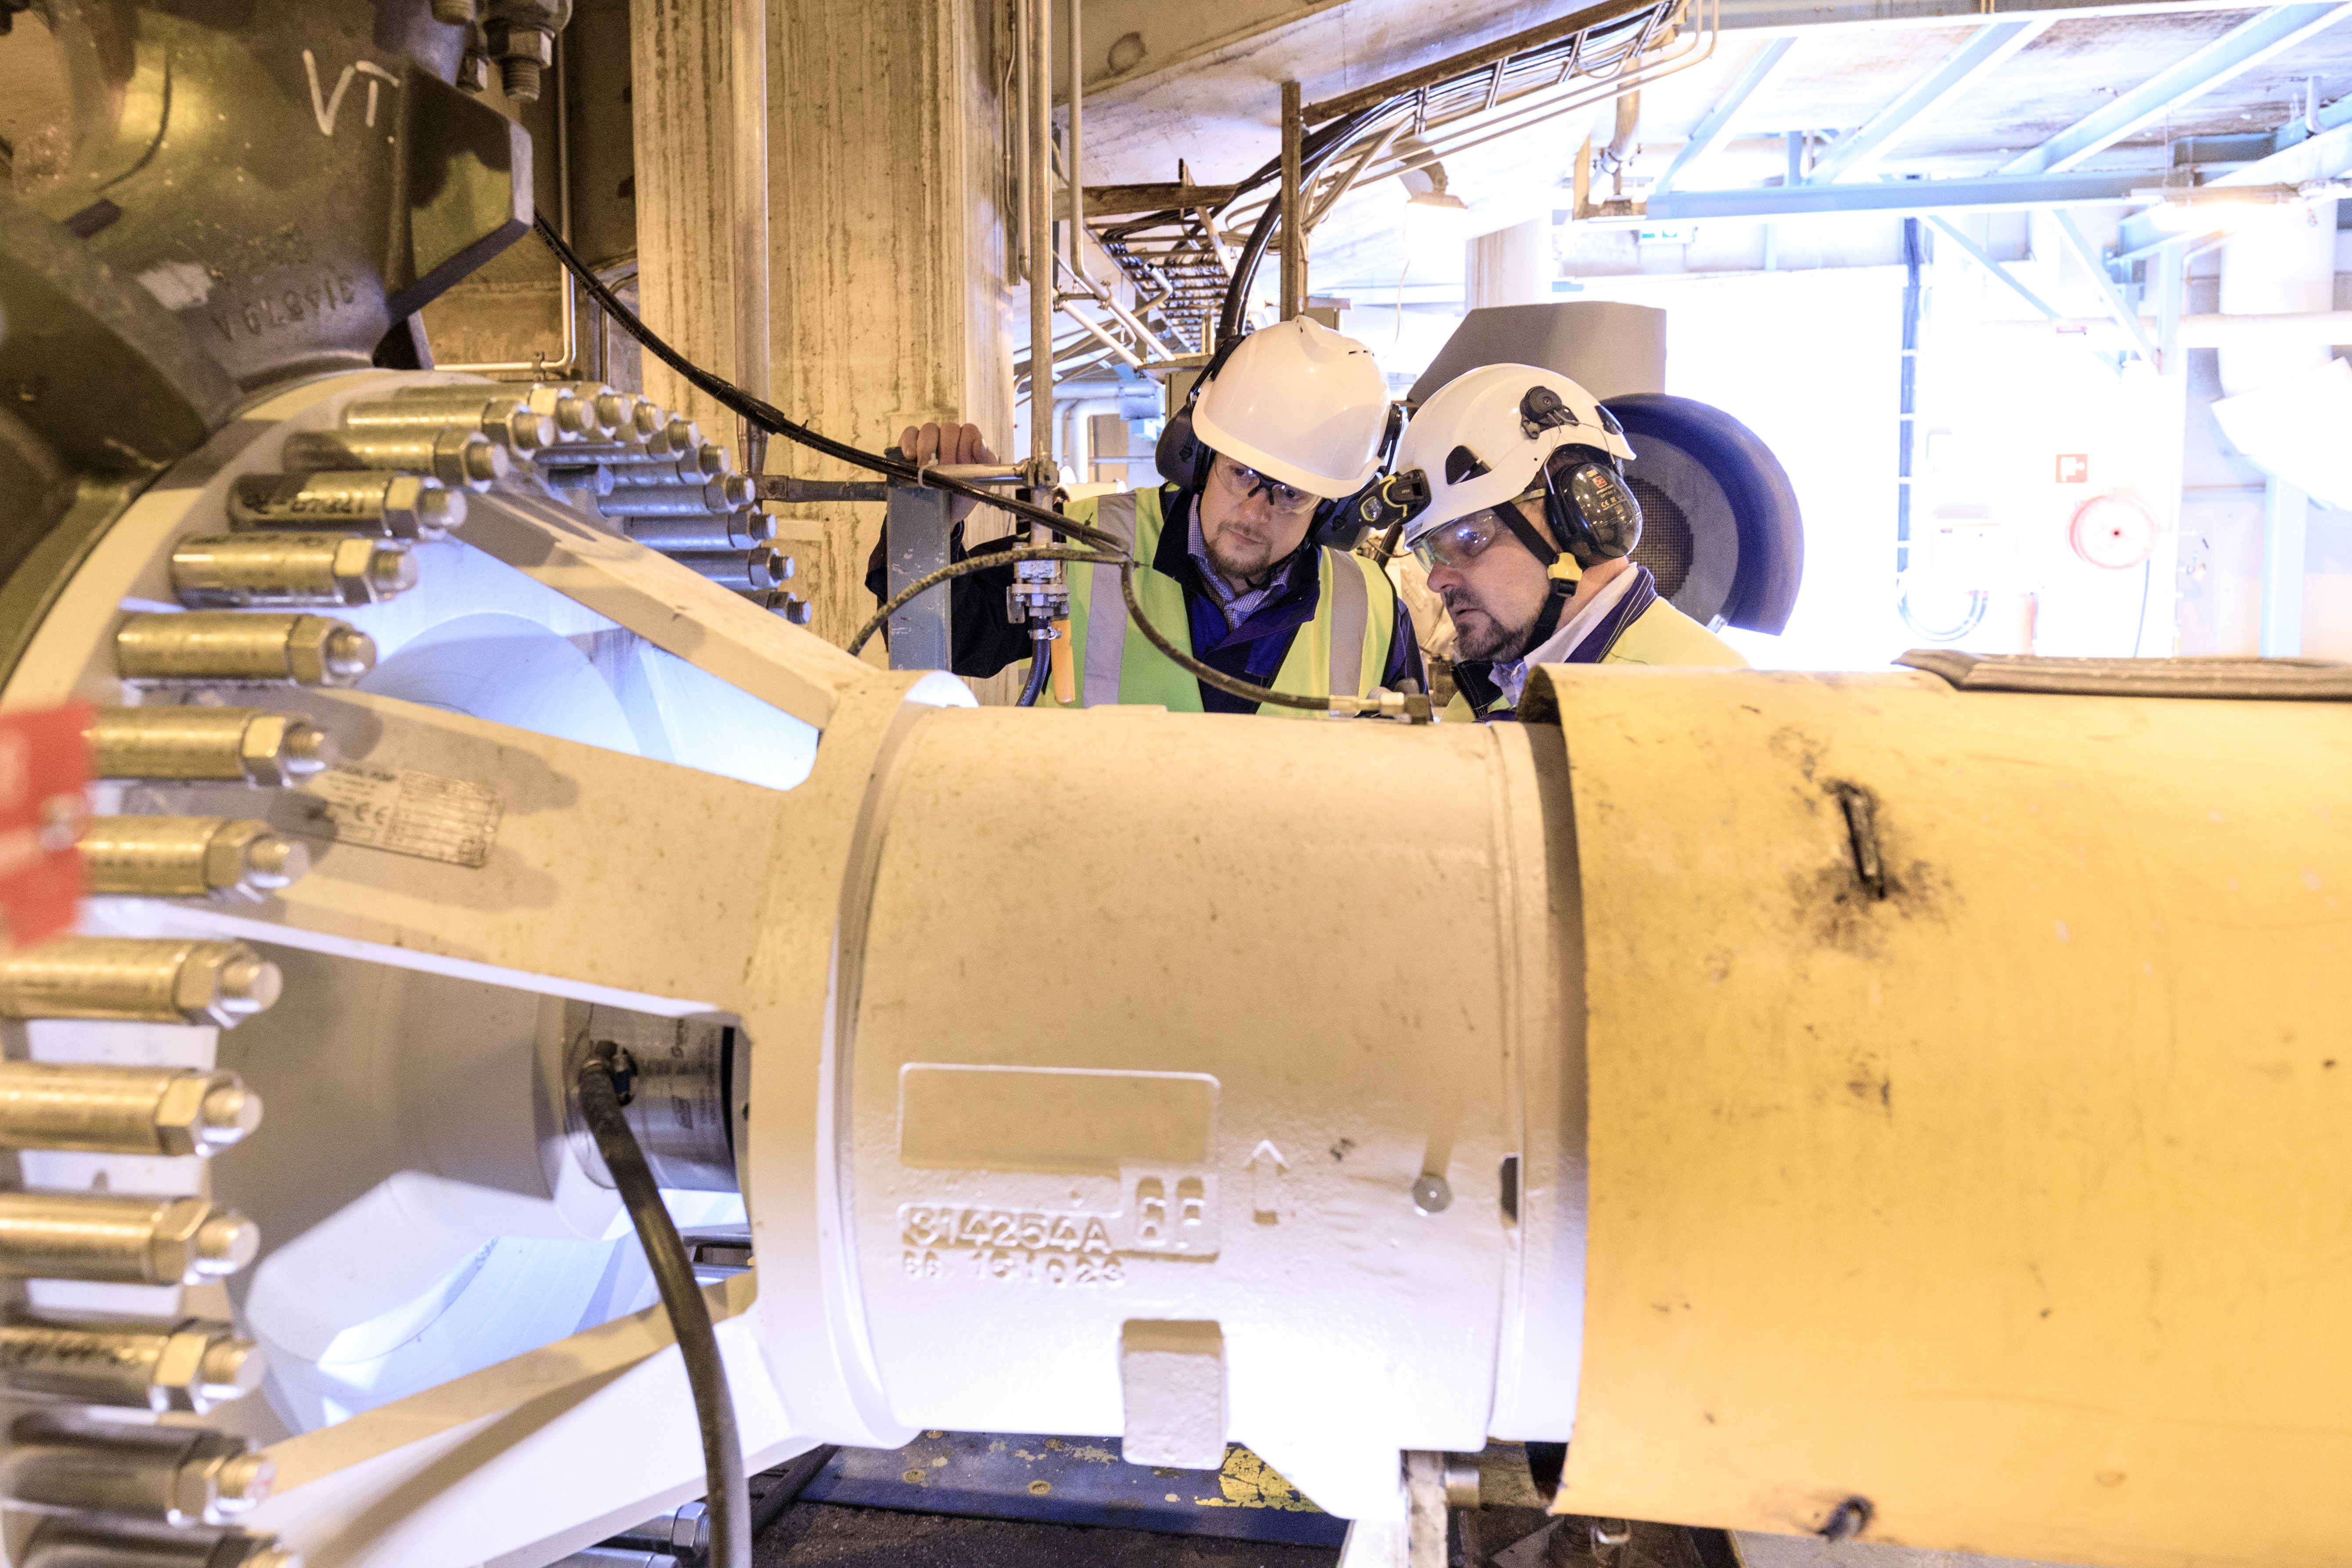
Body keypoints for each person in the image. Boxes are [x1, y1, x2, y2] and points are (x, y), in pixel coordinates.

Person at [865, 317, 1421, 714]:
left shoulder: (1368, 606)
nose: (1255, 511)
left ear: (1335, 508)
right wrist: (934, 525)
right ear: (1199, 456)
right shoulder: (1081, 543)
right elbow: (954, 638)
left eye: (1291, 493)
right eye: (1241, 473)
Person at [1390, 364, 1744, 721]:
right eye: (1431, 550)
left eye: (1471, 536)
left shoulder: (1715, 700)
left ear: (1578, 518)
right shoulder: (1478, 703)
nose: (1436, 580)